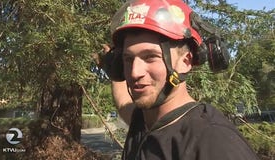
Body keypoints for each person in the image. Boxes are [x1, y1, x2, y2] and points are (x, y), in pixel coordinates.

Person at [103, 0, 260, 159]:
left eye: (150, 57)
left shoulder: (214, 141)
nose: (134, 72)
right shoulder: (142, 121)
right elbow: (123, 103)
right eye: (128, 59)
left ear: (185, 62)